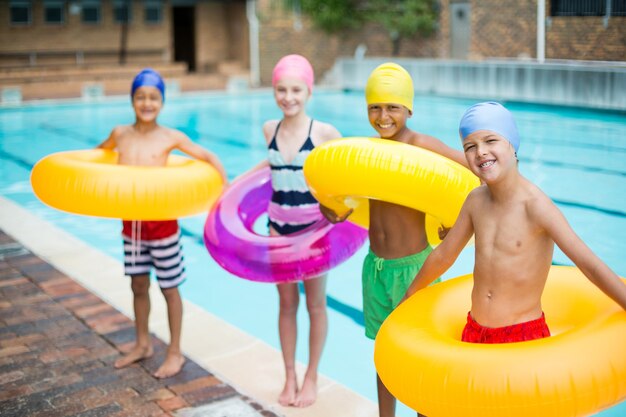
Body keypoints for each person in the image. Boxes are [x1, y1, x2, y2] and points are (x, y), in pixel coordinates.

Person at [402, 101, 626, 345]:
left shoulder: (536, 206)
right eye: (470, 146)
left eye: (490, 141)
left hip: (521, 334)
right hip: (474, 329)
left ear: (512, 143)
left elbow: (588, 264)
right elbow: (445, 255)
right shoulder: (475, 201)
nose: (480, 152)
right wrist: (410, 294)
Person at [321, 62, 468, 417]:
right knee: (384, 352)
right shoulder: (368, 152)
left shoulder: (422, 145)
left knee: (417, 353)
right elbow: (346, 198)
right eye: (375, 107)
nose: (383, 116)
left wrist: (454, 221)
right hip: (375, 267)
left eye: (392, 107)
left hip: (414, 268)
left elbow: (469, 171)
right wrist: (335, 210)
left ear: (409, 109)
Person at [97, 68, 227, 378]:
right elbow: (96, 158)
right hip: (132, 227)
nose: (147, 103)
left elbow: (208, 156)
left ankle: (175, 351)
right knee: (138, 284)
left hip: (163, 228)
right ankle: (142, 344)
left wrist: (224, 191)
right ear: (132, 100)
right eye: (140, 97)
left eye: (153, 97)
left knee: (169, 288)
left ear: (162, 102)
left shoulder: (170, 137)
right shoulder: (120, 134)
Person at [250, 54, 342, 407]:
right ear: (274, 91)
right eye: (281, 89)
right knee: (286, 305)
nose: (288, 97)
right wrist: (236, 185)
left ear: (309, 91)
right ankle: (289, 375)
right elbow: (275, 165)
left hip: (314, 234)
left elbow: (346, 172)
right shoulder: (268, 130)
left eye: (296, 90)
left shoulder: (322, 133)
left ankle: (311, 377)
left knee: (315, 306)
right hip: (278, 231)